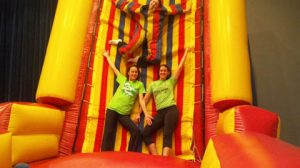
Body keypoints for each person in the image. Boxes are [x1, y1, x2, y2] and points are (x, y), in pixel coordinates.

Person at [136, 48, 191, 156]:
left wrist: (186, 52)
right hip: (160, 112)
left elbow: (180, 68)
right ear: (159, 72)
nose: (162, 72)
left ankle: (164, 161)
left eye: (165, 71)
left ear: (168, 73)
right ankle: (157, 158)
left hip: (171, 109)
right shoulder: (153, 84)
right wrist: (139, 113)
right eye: (161, 70)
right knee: (145, 133)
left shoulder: (170, 82)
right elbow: (145, 99)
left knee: (167, 134)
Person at [109, 0, 191, 67]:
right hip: (141, 32)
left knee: (156, 58)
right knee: (126, 52)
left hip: (153, 37)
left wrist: (185, 10)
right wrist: (117, 2)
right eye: (153, 2)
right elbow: (127, 6)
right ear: (150, 2)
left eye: (156, 3)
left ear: (158, 6)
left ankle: (137, 59)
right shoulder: (141, 8)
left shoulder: (162, 11)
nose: (154, 4)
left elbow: (173, 10)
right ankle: (120, 42)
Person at [101, 50, 149, 152]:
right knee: (109, 132)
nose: (134, 73)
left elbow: (141, 100)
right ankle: (105, 154)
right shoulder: (123, 79)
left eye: (136, 72)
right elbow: (114, 68)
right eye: (132, 71)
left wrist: (146, 114)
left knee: (135, 131)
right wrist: (107, 56)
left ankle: (130, 154)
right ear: (128, 73)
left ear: (138, 74)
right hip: (113, 109)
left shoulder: (139, 85)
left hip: (124, 114)